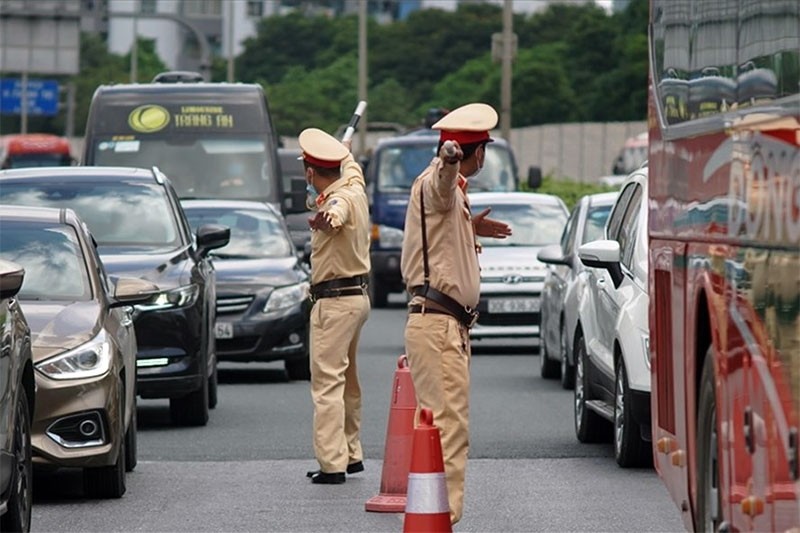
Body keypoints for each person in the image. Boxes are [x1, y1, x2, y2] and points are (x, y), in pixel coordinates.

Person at [400, 102, 512, 524]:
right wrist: (449, 159)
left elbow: (443, 213)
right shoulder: (439, 180)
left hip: (443, 325)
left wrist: (472, 226)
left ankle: (432, 514)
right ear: (476, 152)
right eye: (482, 150)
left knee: (436, 424)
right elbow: (441, 186)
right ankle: (440, 518)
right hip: (439, 325)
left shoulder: (454, 197)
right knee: (448, 427)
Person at [299, 127, 371, 485]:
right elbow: (352, 167)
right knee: (348, 382)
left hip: (335, 301)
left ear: (311, 173)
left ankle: (332, 464)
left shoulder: (337, 201)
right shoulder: (354, 186)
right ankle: (351, 452)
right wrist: (344, 151)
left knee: (327, 384)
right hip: (357, 298)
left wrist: (328, 218)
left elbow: (335, 213)